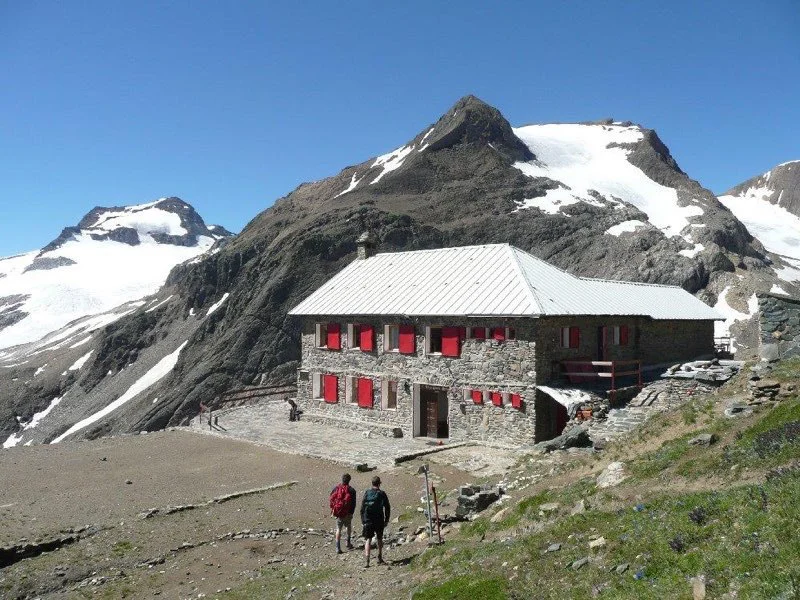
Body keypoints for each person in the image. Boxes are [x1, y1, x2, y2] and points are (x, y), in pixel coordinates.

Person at [360, 475, 390, 567]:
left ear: (372, 483)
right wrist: (386, 519)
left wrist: (363, 520)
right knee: (379, 538)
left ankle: (367, 560)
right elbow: (387, 507)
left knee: (368, 539)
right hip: (379, 519)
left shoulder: (367, 493)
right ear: (379, 484)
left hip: (368, 520)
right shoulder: (382, 493)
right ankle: (379, 557)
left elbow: (362, 507)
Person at [329, 473, 357, 554]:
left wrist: (334, 509)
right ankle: (348, 542)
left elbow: (332, 499)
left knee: (338, 529)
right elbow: (353, 503)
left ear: (342, 479)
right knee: (348, 527)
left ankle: (337, 547)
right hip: (347, 512)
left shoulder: (336, 488)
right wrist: (351, 512)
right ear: (349, 480)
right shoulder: (352, 490)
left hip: (338, 512)